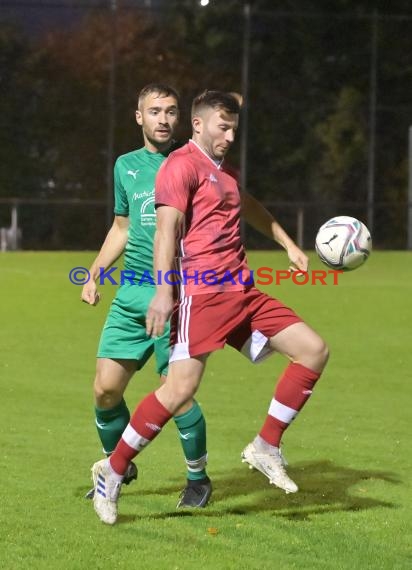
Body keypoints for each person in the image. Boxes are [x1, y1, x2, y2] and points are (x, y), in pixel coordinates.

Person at [91, 90, 329, 525]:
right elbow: (165, 231)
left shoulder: (223, 170)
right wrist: (164, 291)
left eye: (235, 127)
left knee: (313, 350)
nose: (231, 135)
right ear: (198, 125)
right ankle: (114, 468)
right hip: (201, 295)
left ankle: (266, 446)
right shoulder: (180, 166)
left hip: (243, 292)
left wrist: (288, 243)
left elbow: (248, 205)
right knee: (178, 391)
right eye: (223, 126)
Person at [81, 83, 211, 509]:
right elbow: (121, 227)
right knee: (105, 390)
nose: (163, 119)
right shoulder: (126, 166)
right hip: (130, 293)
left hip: (174, 293)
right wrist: (95, 274)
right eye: (154, 111)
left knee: (175, 392)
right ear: (139, 117)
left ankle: (198, 480)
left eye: (171, 111)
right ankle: (116, 466)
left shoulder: (192, 163)